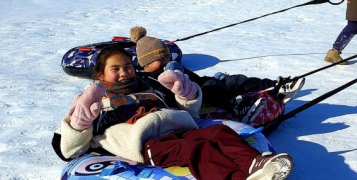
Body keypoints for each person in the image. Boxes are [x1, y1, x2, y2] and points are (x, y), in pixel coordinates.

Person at [52, 45, 300, 180]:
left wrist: (188, 95)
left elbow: (189, 113)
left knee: (217, 133)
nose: (124, 72)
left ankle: (258, 165)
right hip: (150, 144)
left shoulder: (149, 86)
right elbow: (69, 149)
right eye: (115, 69)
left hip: (180, 127)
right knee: (197, 150)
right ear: (100, 74)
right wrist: (80, 123)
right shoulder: (96, 101)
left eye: (127, 66)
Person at [129, 26, 304, 126]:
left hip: (201, 84)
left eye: (167, 56)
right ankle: (237, 106)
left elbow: (195, 78)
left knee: (234, 80)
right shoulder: (149, 79)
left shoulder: (172, 67)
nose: (166, 60)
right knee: (213, 89)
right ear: (146, 64)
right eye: (160, 59)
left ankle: (276, 85)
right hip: (196, 98)